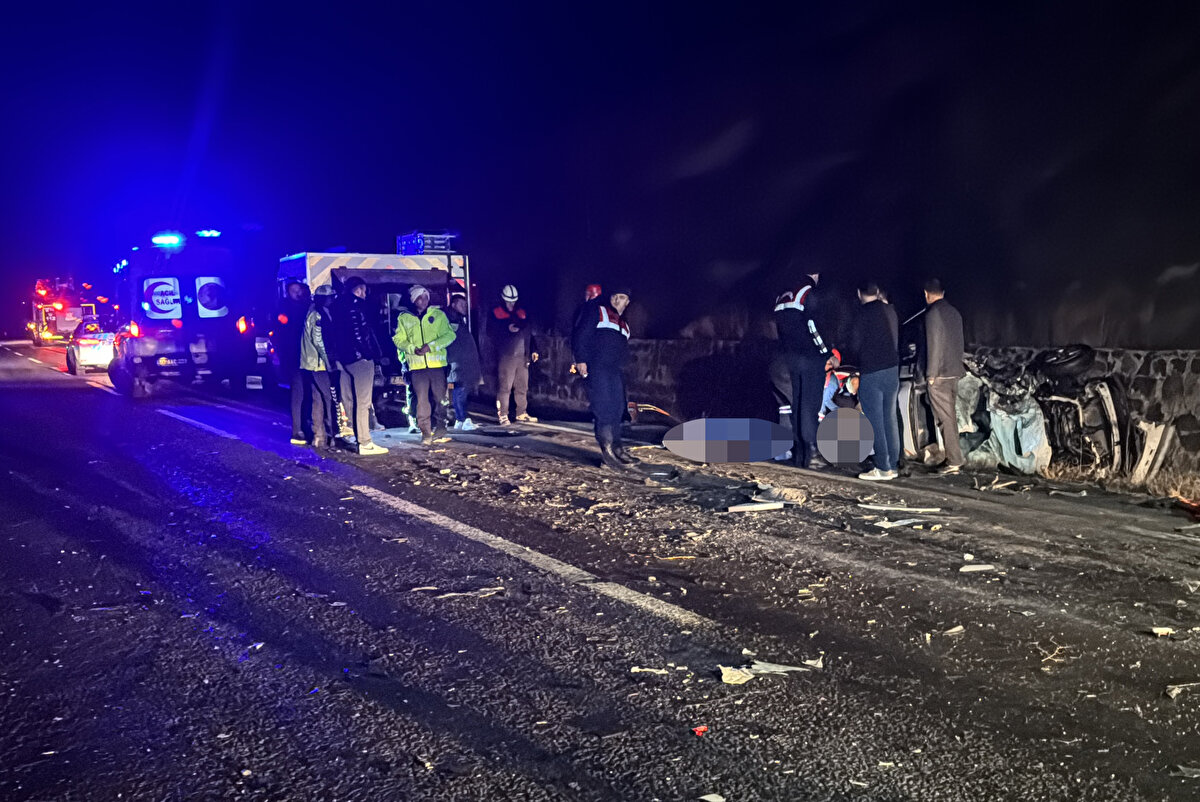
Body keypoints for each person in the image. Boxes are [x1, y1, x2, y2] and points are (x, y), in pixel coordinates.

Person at [773, 272, 837, 469]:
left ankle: (801, 454)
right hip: (810, 358)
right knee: (810, 406)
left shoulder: (782, 296)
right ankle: (813, 453)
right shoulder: (808, 293)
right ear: (815, 274)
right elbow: (813, 326)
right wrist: (827, 353)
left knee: (798, 405)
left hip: (791, 359)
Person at [575, 288, 638, 470]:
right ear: (612, 298)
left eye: (625, 299)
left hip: (614, 370)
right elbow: (581, 335)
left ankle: (617, 448)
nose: (622, 302)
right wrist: (580, 360)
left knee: (617, 408)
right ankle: (607, 450)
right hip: (597, 367)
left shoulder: (624, 324)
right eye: (619, 297)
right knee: (603, 407)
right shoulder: (598, 312)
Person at [393, 285, 456, 446]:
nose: (423, 300)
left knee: (440, 399)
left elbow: (449, 335)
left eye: (425, 297)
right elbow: (398, 339)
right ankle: (426, 432)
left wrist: (431, 346)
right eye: (419, 297)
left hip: (437, 365)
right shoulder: (404, 318)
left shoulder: (438, 315)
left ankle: (441, 426)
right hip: (417, 366)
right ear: (413, 300)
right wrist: (412, 349)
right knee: (422, 400)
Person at [850, 282, 900, 481]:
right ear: (878, 291)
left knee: (875, 421)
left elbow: (854, 345)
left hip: (872, 370)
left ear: (858, 293)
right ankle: (893, 464)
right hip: (892, 368)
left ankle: (882, 467)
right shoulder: (889, 310)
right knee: (890, 418)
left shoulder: (861, 315)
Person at [332, 277, 387, 455]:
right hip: (360, 360)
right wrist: (368, 354)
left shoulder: (336, 306)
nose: (363, 293)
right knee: (363, 401)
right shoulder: (355, 308)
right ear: (353, 290)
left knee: (350, 399)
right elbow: (359, 334)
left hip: (345, 359)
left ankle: (355, 434)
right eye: (360, 290)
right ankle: (365, 442)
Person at [922, 278, 966, 474]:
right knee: (950, 418)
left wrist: (931, 374)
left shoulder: (932, 313)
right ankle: (954, 457)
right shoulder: (955, 312)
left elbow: (934, 344)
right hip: (954, 371)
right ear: (943, 292)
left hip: (939, 374)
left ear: (926, 293)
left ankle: (954, 460)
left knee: (944, 419)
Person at [489, 284, 538, 425]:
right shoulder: (496, 312)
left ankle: (521, 413)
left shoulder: (521, 312)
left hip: (522, 356)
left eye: (514, 301)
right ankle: (503, 415)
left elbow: (529, 332)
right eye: (509, 301)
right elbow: (491, 332)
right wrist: (506, 328)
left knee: (522, 386)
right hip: (507, 356)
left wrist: (533, 350)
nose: (512, 304)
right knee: (505, 387)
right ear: (503, 299)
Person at [300, 285, 337, 449]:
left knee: (317, 400)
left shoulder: (312, 312)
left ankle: (319, 437)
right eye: (330, 297)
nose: (332, 300)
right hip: (319, 365)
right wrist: (328, 362)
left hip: (311, 364)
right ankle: (330, 435)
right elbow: (319, 341)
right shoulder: (317, 315)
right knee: (329, 400)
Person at [277, 281, 312, 445]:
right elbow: (284, 333)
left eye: (299, 290)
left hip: (307, 355)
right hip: (294, 357)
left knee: (309, 393)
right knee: (298, 394)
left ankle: (307, 426)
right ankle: (297, 430)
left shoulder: (306, 306)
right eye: (293, 291)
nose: (297, 293)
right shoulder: (285, 308)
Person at [445, 292, 482, 431]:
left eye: (465, 305)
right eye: (461, 304)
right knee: (460, 391)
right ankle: (463, 419)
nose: (464, 307)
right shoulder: (452, 320)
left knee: (458, 390)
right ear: (453, 305)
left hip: (459, 361)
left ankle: (460, 420)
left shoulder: (460, 320)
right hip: (458, 362)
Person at [570, 283, 603, 371]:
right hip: (600, 355)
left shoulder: (587, 309)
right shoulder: (605, 309)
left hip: (589, 354)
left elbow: (580, 331)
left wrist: (580, 357)